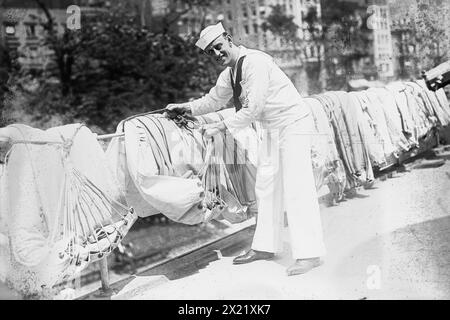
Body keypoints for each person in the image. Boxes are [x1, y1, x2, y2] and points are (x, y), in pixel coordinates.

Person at [165, 22, 326, 276]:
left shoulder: (254, 62)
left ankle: (310, 253)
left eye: (218, 47)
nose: (217, 54)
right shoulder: (230, 72)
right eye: (211, 53)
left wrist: (220, 127)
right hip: (272, 128)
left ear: (228, 39)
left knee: (297, 187)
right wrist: (185, 108)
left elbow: (253, 109)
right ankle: (265, 246)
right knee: (266, 185)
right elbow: (214, 99)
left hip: (293, 123)